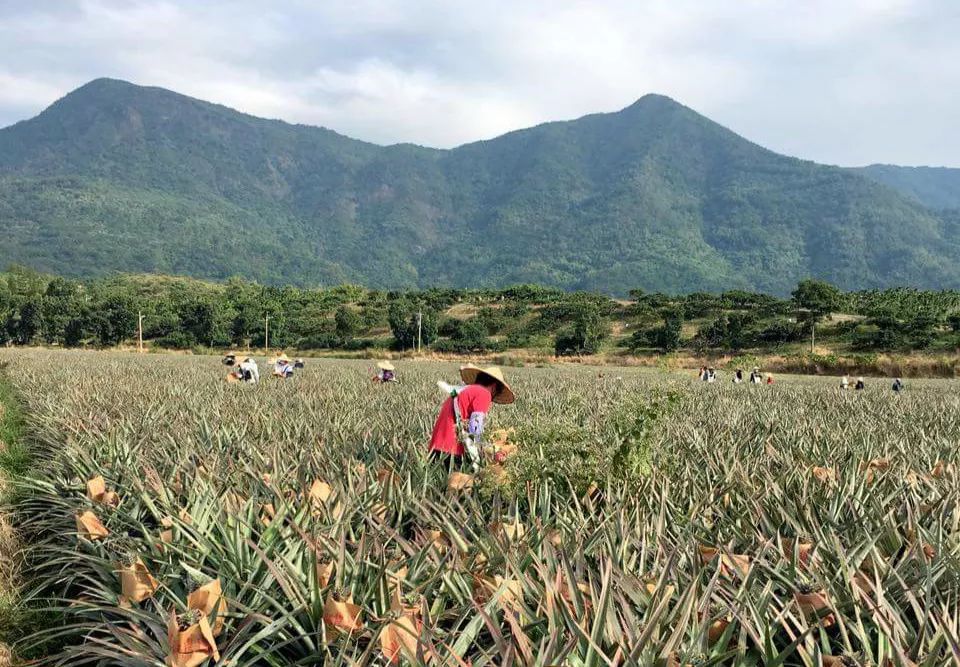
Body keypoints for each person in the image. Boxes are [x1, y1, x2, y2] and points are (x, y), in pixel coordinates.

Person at [429, 364, 515, 472]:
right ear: (494, 386)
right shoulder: (484, 393)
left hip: (435, 447)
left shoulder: (464, 391)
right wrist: (486, 449)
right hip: (452, 450)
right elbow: (475, 426)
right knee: (466, 484)